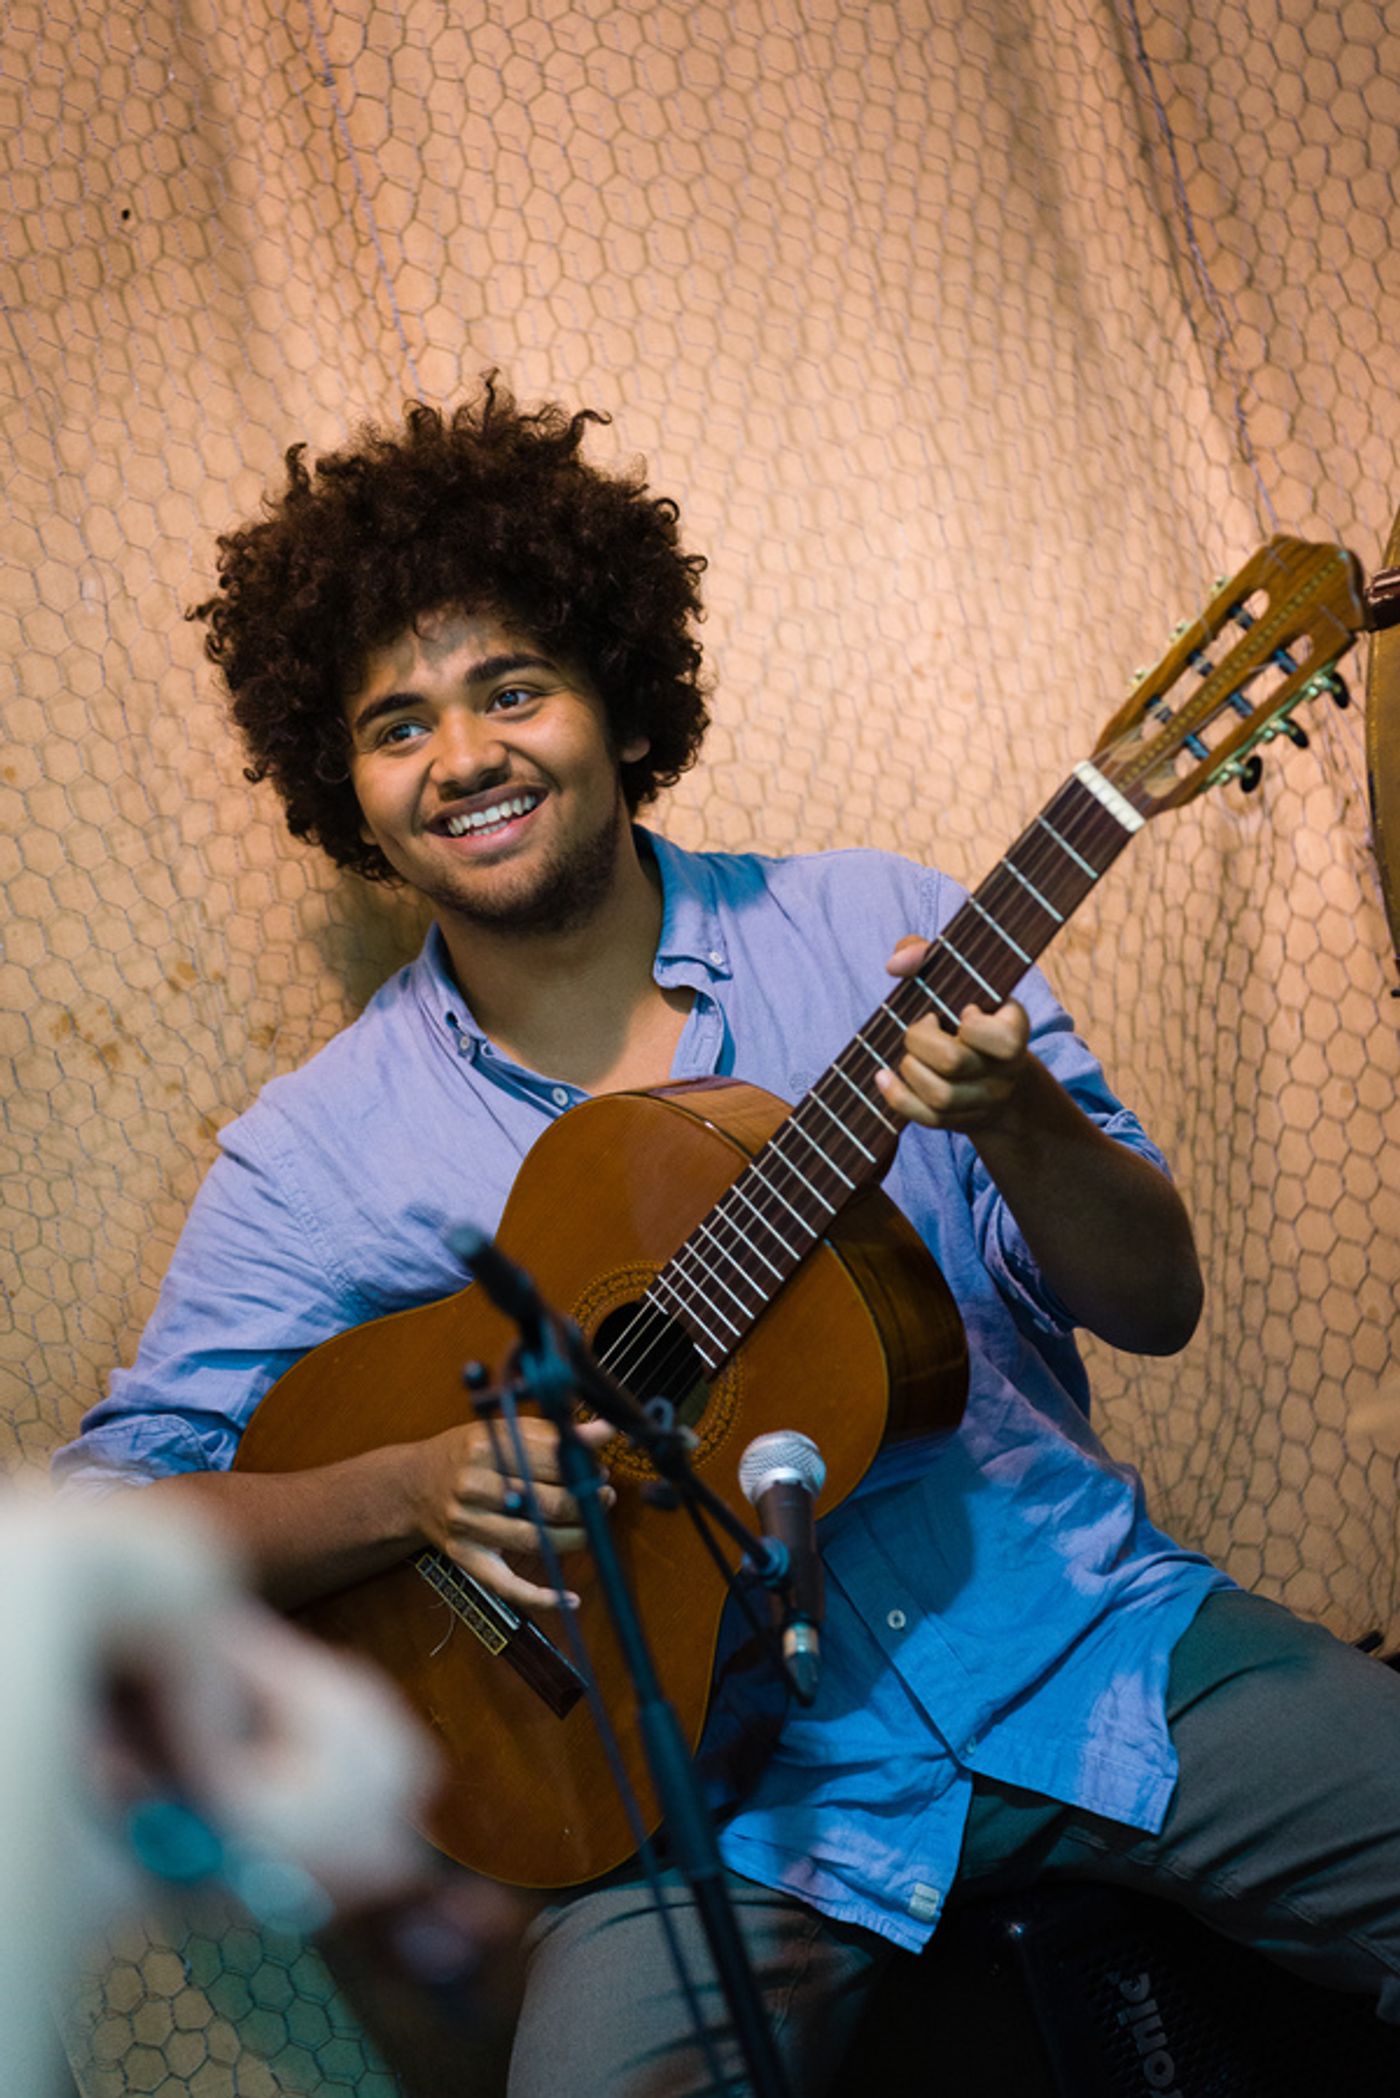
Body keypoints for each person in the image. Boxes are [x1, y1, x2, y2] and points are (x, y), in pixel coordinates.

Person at [56, 377, 1400, 2094]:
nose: (462, 756)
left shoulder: (885, 928)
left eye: (512, 688)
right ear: (350, 787)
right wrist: (412, 1485)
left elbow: (1158, 1302)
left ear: (621, 701)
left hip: (1092, 1655)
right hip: (712, 1810)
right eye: (397, 724)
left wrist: (1019, 1121)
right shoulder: (322, 1149)